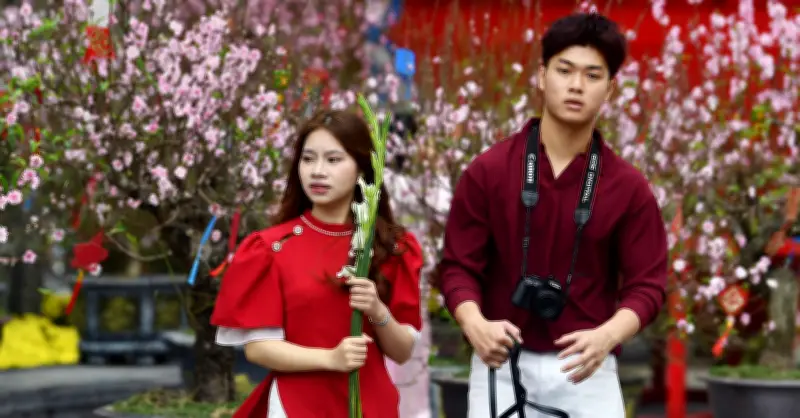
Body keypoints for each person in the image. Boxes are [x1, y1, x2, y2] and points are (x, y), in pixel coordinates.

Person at [437, 13, 668, 418]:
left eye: (592, 75)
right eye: (565, 71)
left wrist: (607, 336)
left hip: (588, 366)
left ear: (610, 89)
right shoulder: (489, 170)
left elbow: (648, 285)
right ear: (543, 77)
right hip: (499, 363)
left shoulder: (628, 187)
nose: (577, 85)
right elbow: (458, 267)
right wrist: (474, 324)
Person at [211, 110, 424, 418]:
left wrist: (378, 311)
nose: (317, 171)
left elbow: (402, 351)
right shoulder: (271, 248)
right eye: (308, 159)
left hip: (371, 406)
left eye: (333, 160)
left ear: (362, 167)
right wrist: (330, 358)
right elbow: (258, 348)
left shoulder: (391, 248)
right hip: (296, 405)